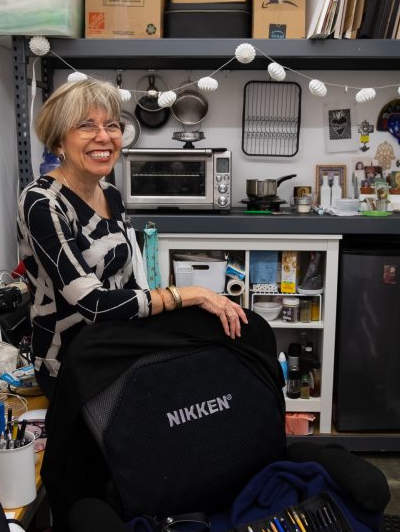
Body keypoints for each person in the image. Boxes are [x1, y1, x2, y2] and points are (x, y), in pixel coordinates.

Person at [17, 78, 248, 398]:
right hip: (71, 362)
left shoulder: (109, 192)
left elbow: (130, 282)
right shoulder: (43, 202)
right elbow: (92, 304)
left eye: (111, 125)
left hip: (117, 345)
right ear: (59, 142)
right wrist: (190, 294)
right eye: (87, 126)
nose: (104, 136)